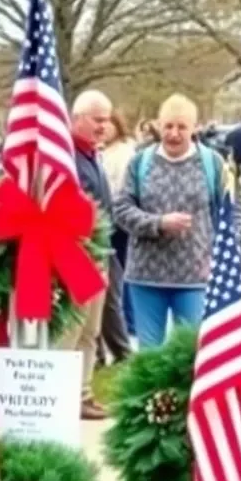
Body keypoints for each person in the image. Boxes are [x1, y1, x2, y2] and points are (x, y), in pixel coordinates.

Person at [114, 94, 223, 347]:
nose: (174, 134)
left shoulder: (212, 164)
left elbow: (236, 214)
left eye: (182, 127)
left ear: (195, 127)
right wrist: (158, 223)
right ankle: (153, 391)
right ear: (158, 126)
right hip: (146, 275)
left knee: (192, 352)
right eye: (168, 126)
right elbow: (121, 209)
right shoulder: (140, 162)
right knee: (150, 356)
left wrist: (222, 258)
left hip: (195, 276)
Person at [65, 90, 116, 419]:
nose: (104, 126)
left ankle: (81, 395)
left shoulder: (92, 155)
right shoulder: (67, 157)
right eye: (98, 119)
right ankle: (62, 397)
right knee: (70, 333)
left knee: (90, 333)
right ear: (78, 118)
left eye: (107, 119)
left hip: (98, 255)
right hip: (74, 258)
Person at [101, 111, 138, 341]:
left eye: (108, 123)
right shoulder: (103, 152)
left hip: (118, 221)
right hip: (107, 218)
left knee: (122, 273)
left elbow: (120, 187)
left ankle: (129, 323)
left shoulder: (123, 152)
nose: (104, 128)